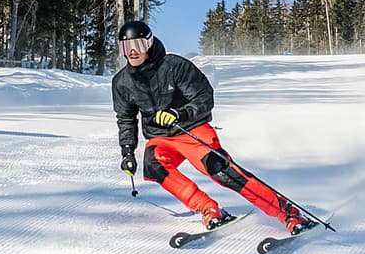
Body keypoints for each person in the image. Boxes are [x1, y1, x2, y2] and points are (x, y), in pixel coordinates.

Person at [112, 20, 315, 235]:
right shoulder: (122, 82)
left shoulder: (174, 66)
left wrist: (179, 114)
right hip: (160, 137)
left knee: (220, 170)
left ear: (149, 44)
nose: (132, 52)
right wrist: (127, 152)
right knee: (154, 166)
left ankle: (287, 213)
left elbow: (204, 97)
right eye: (126, 47)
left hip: (190, 129)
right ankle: (208, 208)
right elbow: (126, 119)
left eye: (138, 45)